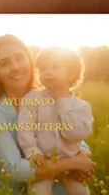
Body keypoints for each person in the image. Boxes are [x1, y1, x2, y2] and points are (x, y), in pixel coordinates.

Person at [0, 36, 95, 194]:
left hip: (46, 177)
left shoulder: (49, 95)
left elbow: (69, 133)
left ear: (30, 61)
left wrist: (84, 154)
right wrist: (74, 163)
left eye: (20, 58)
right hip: (6, 189)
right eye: (4, 63)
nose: (15, 67)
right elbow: (16, 169)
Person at [16, 47, 94, 195]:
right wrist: (32, 151)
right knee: (39, 191)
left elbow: (76, 134)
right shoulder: (32, 98)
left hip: (70, 163)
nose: (48, 72)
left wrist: (63, 100)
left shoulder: (81, 106)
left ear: (71, 73)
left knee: (80, 191)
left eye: (55, 67)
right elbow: (25, 128)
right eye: (43, 69)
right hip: (44, 161)